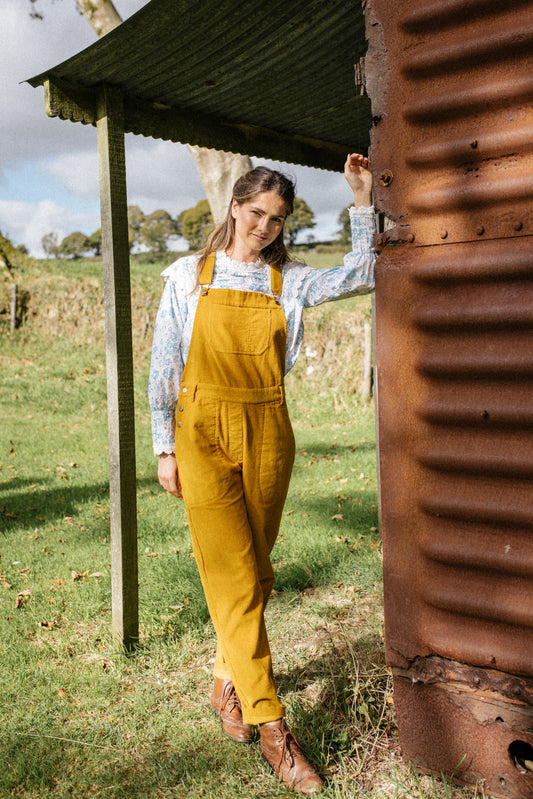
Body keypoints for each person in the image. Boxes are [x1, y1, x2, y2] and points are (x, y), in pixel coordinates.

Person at [149, 153, 375, 794]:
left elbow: (365, 273)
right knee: (233, 575)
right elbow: (165, 366)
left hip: (269, 432)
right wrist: (165, 446)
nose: (265, 227)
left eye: (277, 219)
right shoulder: (187, 276)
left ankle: (225, 679)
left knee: (258, 572)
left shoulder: (290, 282)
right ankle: (275, 729)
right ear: (234, 208)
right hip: (200, 433)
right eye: (256, 213)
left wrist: (360, 201)